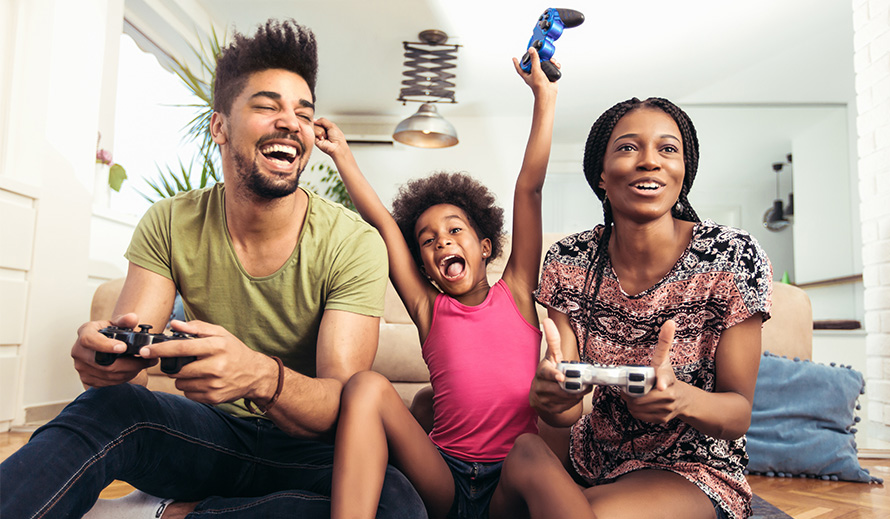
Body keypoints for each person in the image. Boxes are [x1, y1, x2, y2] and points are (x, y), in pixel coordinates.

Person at [0, 19, 425, 519]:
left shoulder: (353, 242)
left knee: (396, 502)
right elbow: (130, 351)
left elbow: (341, 406)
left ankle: (175, 514)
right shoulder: (170, 222)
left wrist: (261, 376)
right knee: (105, 410)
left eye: (303, 113)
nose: (291, 122)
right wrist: (107, 360)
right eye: (268, 106)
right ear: (220, 126)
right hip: (209, 436)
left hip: (309, 453)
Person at [489, 97, 773, 519]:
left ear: (683, 171)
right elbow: (565, 410)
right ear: (601, 175)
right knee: (537, 457)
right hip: (592, 459)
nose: (650, 162)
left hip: (690, 468)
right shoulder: (570, 260)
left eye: (667, 149)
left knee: (567, 505)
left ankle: (528, 468)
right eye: (627, 147)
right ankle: (531, 464)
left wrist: (680, 399)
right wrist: (550, 395)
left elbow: (738, 413)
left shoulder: (730, 257)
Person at [314, 47, 558, 519]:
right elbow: (386, 225)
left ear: (485, 246)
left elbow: (528, 187)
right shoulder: (429, 308)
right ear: (424, 266)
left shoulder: (519, 291)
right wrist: (342, 153)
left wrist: (543, 98)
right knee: (365, 386)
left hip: (508, 484)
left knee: (529, 453)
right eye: (427, 241)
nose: (441, 242)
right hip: (443, 479)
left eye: (454, 231)